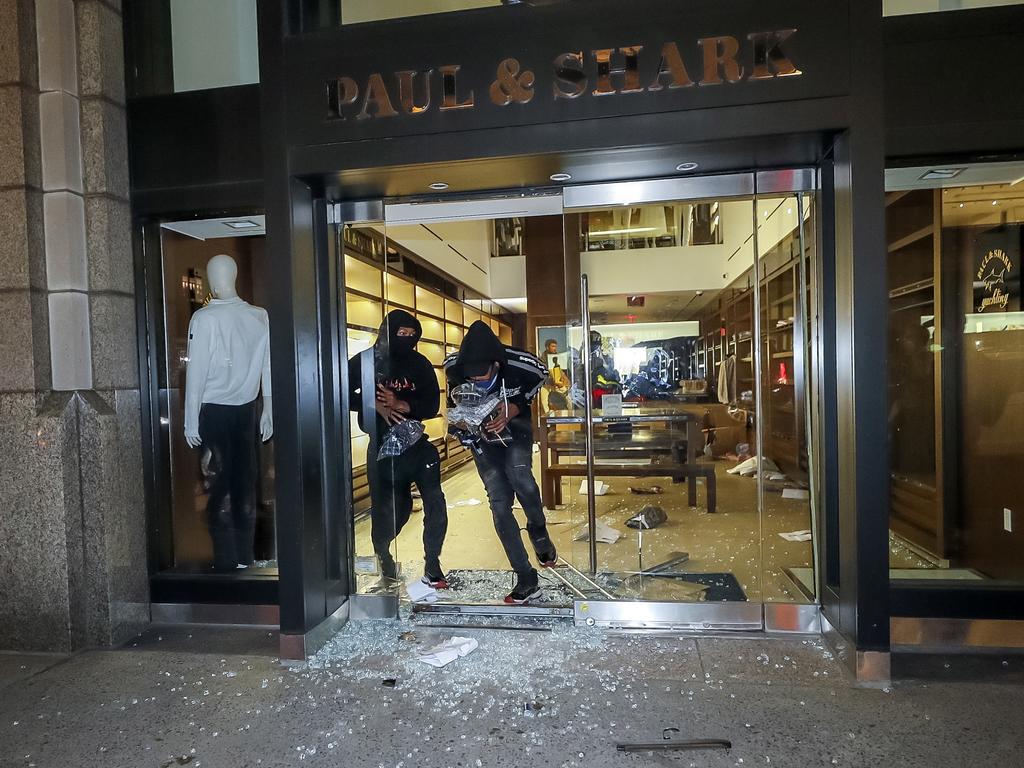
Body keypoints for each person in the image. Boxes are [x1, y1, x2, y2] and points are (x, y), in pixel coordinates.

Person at [444, 321, 556, 604]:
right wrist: (461, 430)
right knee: (498, 503)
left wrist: (516, 406)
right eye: (474, 379)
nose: (479, 383)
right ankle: (525, 576)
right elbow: (453, 406)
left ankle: (538, 529)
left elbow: (542, 379)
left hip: (515, 425)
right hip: (482, 435)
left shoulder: (524, 365)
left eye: (484, 377)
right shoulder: (453, 368)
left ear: (497, 364)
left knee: (521, 478)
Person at [349, 309, 449, 589]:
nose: (405, 339)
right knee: (393, 511)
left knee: (435, 502)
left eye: (411, 335)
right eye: (400, 333)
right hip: (382, 451)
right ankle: (383, 555)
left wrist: (403, 405)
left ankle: (433, 564)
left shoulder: (420, 363)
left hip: (418, 447)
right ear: (386, 332)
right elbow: (338, 390)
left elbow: (432, 404)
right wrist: (375, 405)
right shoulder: (366, 361)